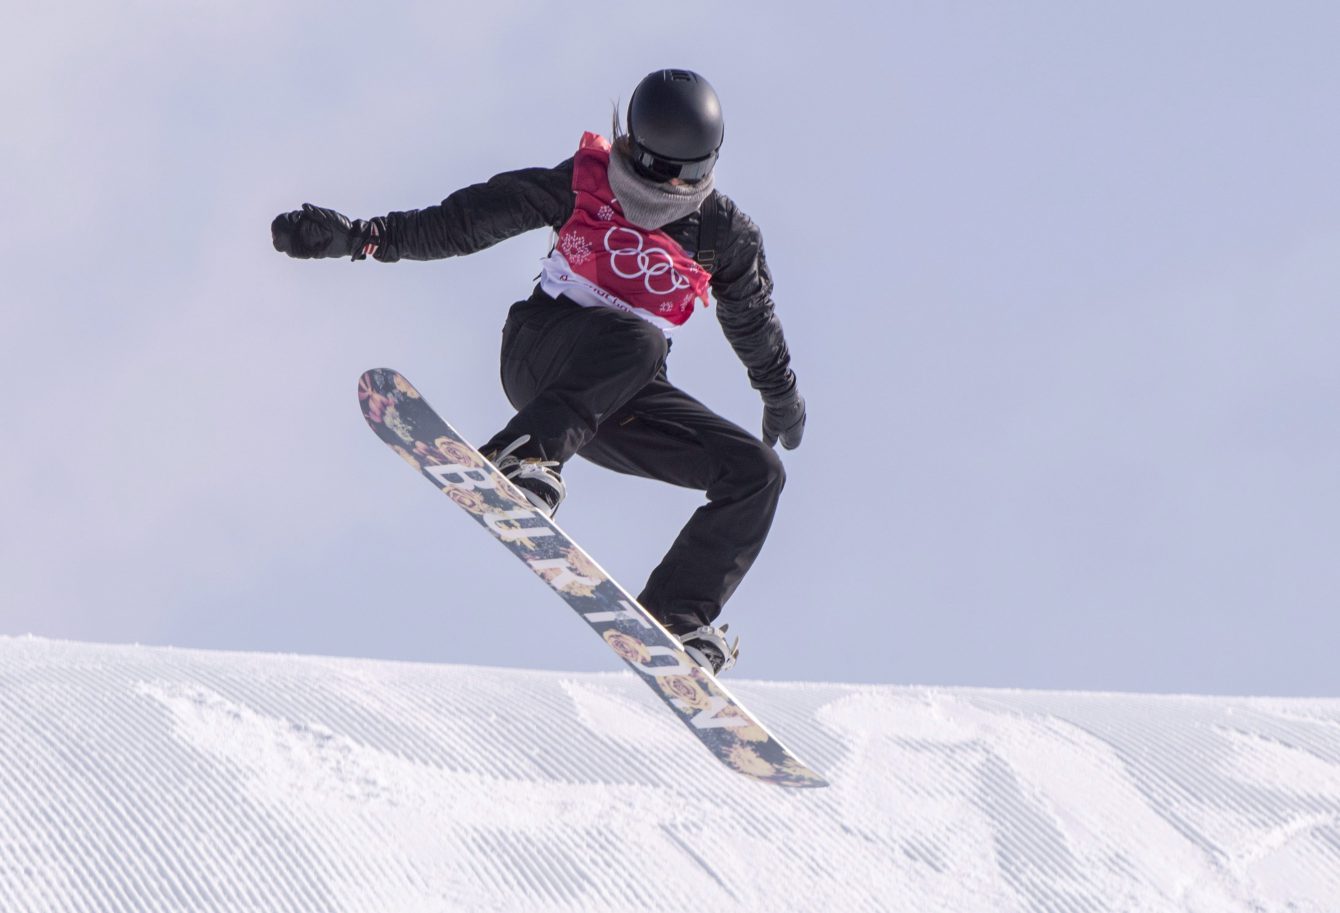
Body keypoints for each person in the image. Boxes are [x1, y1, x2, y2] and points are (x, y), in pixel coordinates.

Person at [271, 69, 805, 674]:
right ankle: (519, 454)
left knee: (757, 473)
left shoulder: (722, 234)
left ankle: (675, 615)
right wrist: (359, 238)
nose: (654, 189)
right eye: (644, 169)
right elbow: (463, 221)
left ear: (702, 168)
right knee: (641, 340)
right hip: (540, 353)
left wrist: (780, 394)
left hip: (613, 400)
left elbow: (752, 318)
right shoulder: (583, 181)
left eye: (670, 176)